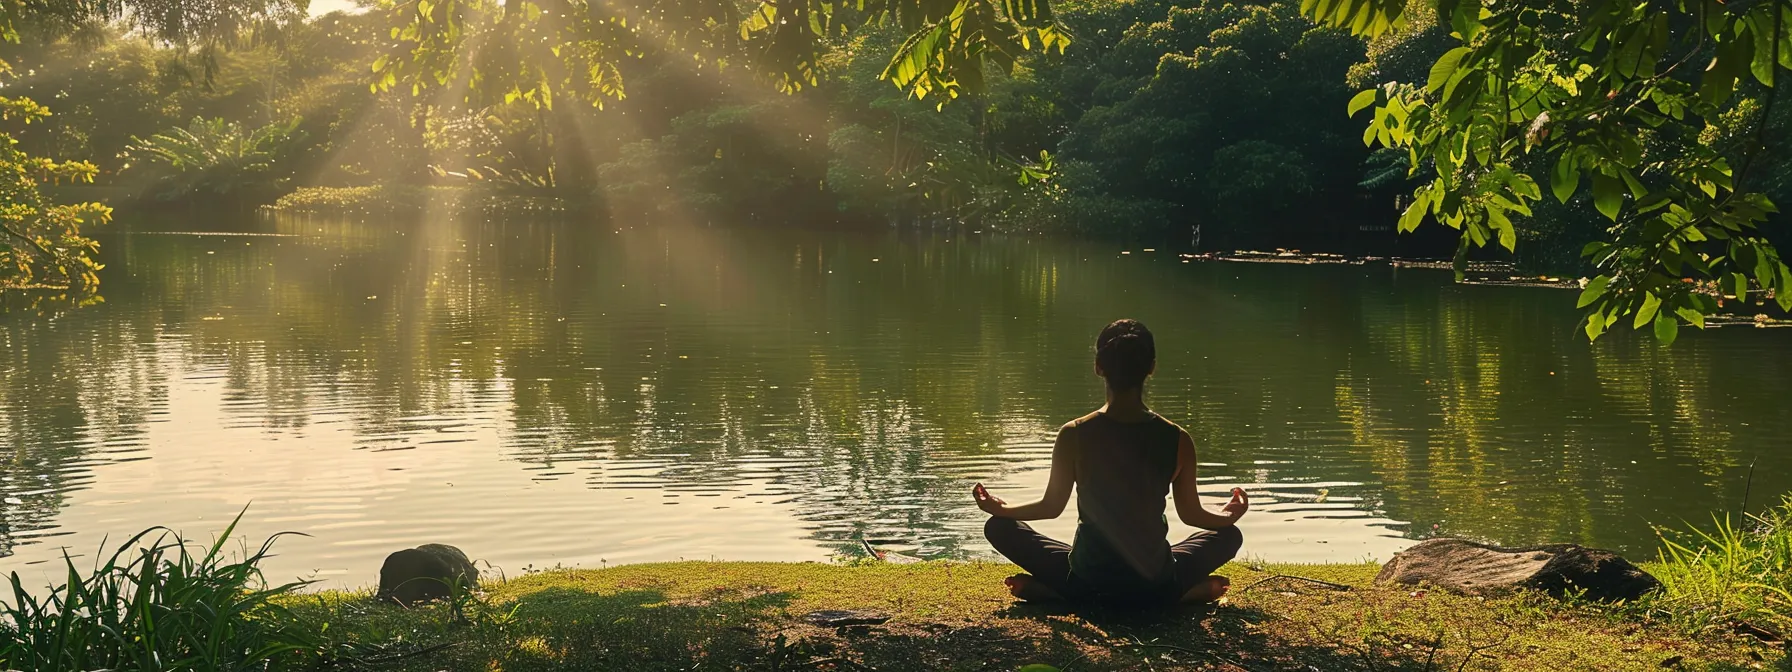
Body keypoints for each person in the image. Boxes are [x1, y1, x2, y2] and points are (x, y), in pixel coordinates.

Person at [973, 319, 1248, 607]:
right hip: (1154, 581)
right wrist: (1228, 517)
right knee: (1229, 536)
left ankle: (1065, 594)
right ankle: (1175, 594)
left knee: (999, 527)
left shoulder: (1074, 434)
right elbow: (1192, 515)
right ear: (1151, 367)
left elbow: (1050, 507)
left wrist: (1000, 509)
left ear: (1098, 366)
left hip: (1090, 580)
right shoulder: (1177, 438)